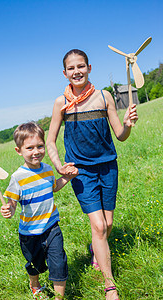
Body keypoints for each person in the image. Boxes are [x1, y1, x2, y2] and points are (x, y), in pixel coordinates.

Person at [46, 49, 138, 300]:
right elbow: (51, 141)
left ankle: (96, 250)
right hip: (81, 172)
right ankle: (110, 286)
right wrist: (59, 165)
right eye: (71, 68)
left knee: (107, 224)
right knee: (98, 225)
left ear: (89, 67)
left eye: (81, 66)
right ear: (64, 73)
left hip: (108, 166)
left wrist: (128, 124)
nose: (77, 71)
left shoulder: (103, 97)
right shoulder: (61, 103)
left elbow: (120, 135)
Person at [0, 122, 78, 300]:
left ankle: (59, 298)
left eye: (40, 146)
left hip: (51, 226)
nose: (36, 151)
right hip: (29, 231)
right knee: (35, 264)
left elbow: (54, 187)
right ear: (19, 151)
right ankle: (34, 283)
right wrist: (9, 209)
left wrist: (67, 177)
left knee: (59, 263)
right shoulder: (18, 177)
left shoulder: (48, 170)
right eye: (30, 148)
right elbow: (12, 201)